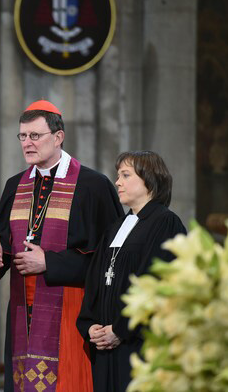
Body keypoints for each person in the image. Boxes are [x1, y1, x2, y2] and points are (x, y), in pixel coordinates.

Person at [0, 100, 123, 392]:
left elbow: (111, 262)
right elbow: (0, 251)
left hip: (73, 313)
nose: (27, 143)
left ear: (58, 137)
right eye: (23, 136)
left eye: (35, 136)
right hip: (22, 316)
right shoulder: (15, 185)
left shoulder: (93, 185)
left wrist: (50, 263)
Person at [76, 151, 187, 392]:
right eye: (118, 176)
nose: (117, 182)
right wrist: (90, 325)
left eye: (126, 175)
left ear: (149, 179)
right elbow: (95, 279)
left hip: (139, 346)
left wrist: (121, 329)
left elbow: (155, 283)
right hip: (106, 346)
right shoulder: (116, 227)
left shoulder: (166, 223)